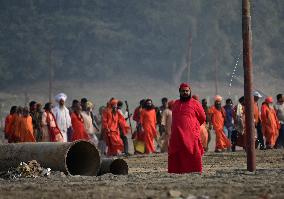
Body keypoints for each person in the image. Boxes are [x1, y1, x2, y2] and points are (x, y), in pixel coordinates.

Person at [168, 83, 206, 173]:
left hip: (191, 134)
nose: (185, 93)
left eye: (187, 91)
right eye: (183, 91)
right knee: (176, 152)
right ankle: (177, 170)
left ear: (190, 92)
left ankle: (195, 170)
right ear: (179, 92)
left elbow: (203, 117)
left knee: (193, 152)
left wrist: (193, 126)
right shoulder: (176, 103)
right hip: (177, 135)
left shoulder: (195, 103)